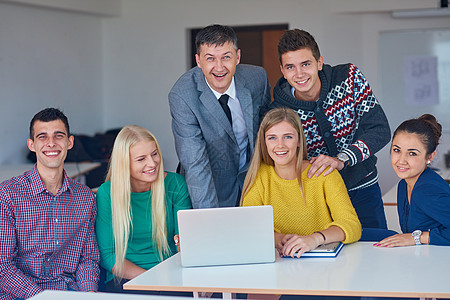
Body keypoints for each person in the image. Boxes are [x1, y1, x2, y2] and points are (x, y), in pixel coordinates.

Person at [264, 29, 391, 229]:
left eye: (306, 64)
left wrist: (343, 158)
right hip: (318, 199)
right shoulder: (278, 111)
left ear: (319, 62)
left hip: (363, 188)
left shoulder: (349, 78)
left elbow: (380, 129)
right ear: (282, 70)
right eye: (290, 67)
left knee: (375, 248)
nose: (299, 74)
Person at [0, 108, 100, 299]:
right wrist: (43, 297)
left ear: (70, 142)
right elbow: (3, 267)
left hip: (69, 291)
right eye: (42, 137)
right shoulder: (8, 195)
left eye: (58, 135)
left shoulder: (85, 198)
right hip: (22, 295)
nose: (51, 143)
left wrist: (89, 294)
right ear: (32, 145)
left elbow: (88, 259)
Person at [169, 24, 271, 209]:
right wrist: (209, 219)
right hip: (211, 185)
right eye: (210, 59)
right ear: (198, 61)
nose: (219, 67)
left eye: (226, 57)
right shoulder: (183, 95)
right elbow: (195, 163)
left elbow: (266, 131)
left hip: (254, 183)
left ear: (237, 57)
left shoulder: (258, 79)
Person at [241, 107, 361, 258]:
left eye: (288, 137)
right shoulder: (260, 176)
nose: (280, 145)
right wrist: (277, 238)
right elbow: (248, 227)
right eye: (272, 138)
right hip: (279, 267)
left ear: (299, 140)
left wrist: (314, 239)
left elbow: (352, 225)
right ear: (264, 142)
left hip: (323, 267)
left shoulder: (323, 173)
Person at [95, 125, 192, 293]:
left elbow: (185, 243)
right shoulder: (107, 193)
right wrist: (152, 279)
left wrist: (184, 246)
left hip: (172, 274)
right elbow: (108, 255)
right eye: (141, 159)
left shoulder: (175, 183)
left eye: (154, 154)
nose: (152, 163)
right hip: (127, 277)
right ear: (123, 163)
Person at [375, 114, 450, 247]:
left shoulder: (427, 190)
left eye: (412, 153)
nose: (401, 160)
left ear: (430, 156)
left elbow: (413, 236)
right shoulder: (403, 185)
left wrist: (419, 238)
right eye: (397, 150)